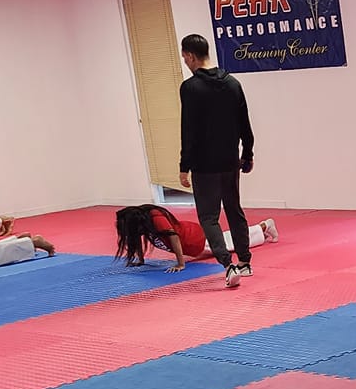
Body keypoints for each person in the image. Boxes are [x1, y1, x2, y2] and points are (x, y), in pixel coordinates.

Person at [176, 34, 257, 289]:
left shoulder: (190, 88)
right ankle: (245, 262)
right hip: (229, 160)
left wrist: (183, 166)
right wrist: (248, 153)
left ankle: (227, 264)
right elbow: (245, 121)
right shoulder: (233, 83)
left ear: (189, 56)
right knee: (234, 209)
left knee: (209, 216)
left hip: (204, 164)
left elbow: (188, 130)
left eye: (184, 57)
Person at [112, 204, 279, 271]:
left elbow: (174, 238)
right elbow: (139, 241)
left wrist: (180, 263)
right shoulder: (145, 225)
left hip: (194, 239)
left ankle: (264, 226)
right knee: (227, 239)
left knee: (230, 244)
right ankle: (263, 227)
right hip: (191, 244)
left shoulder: (155, 217)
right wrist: (140, 260)